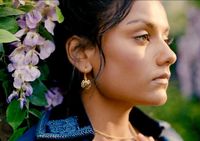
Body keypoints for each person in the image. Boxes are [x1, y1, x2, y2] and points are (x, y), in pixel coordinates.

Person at [18, 0, 181, 141]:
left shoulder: (167, 136)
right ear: (80, 54)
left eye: (166, 39)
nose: (170, 55)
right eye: (143, 36)